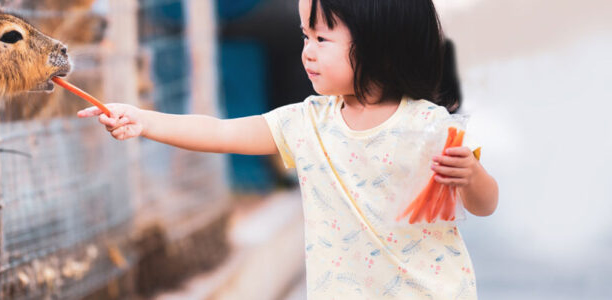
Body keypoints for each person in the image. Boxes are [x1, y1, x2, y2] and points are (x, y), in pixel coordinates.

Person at [78, 0, 498, 298]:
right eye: (305, 35)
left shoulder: (429, 126)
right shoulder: (306, 122)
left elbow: (484, 203)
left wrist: (472, 177)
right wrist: (145, 120)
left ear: (380, 46)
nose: (307, 51)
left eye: (322, 38)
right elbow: (221, 133)